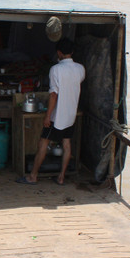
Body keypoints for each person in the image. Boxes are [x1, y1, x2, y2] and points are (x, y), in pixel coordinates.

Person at [20, 37, 84, 185]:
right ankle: (61, 177)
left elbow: (53, 95)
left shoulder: (56, 69)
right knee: (67, 144)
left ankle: (33, 176)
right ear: (72, 52)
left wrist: (47, 116)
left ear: (59, 52)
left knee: (43, 143)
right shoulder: (80, 69)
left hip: (57, 116)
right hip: (71, 114)